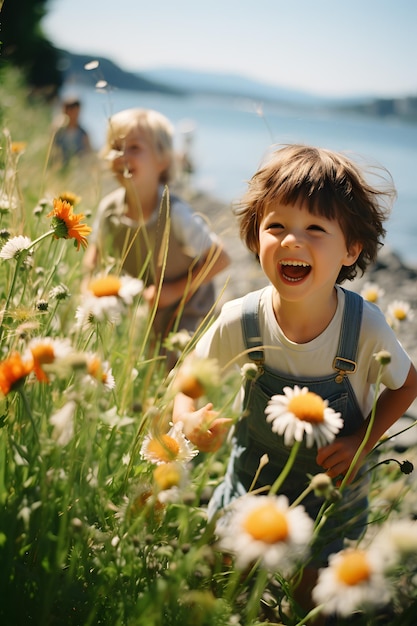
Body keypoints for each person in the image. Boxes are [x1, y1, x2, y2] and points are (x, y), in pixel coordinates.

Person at [172, 144, 417, 619]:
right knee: (226, 578)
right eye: (276, 226)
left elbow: (407, 386)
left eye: (315, 229)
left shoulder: (363, 327)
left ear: (352, 248)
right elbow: (187, 382)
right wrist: (188, 419)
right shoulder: (241, 319)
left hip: (331, 491)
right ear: (254, 235)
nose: (291, 241)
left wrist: (362, 442)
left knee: (312, 596)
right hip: (253, 480)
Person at [83, 108, 230, 363]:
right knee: (132, 360)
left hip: (187, 306)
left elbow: (221, 258)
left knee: (174, 370)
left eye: (134, 148)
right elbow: (93, 255)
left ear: (162, 160)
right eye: (116, 147)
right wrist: (88, 291)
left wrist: (174, 291)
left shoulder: (176, 212)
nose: (122, 156)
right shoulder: (109, 209)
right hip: (143, 305)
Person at [52, 96, 92, 166]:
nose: (72, 115)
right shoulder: (57, 131)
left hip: (77, 169)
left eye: (74, 111)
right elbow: (52, 151)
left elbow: (88, 154)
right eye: (69, 111)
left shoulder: (83, 134)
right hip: (59, 167)